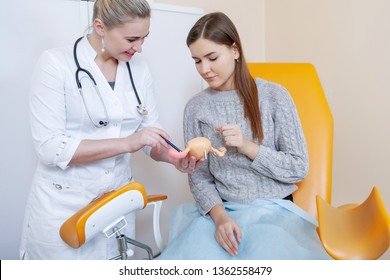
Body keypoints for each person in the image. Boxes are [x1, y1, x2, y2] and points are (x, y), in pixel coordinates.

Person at [19, 0, 203, 260]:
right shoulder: (56, 64)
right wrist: (129, 142)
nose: (139, 48)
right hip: (65, 205)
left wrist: (174, 157)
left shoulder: (138, 69)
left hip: (116, 205)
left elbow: (151, 133)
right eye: (131, 39)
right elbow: (50, 148)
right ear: (100, 26)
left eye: (144, 38)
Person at [158, 12, 331, 259]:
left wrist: (248, 147)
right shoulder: (196, 108)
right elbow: (200, 178)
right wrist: (220, 218)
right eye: (197, 60)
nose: (204, 69)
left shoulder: (274, 96)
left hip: (274, 213)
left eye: (212, 57)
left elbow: (298, 168)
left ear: (235, 51)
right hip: (222, 213)